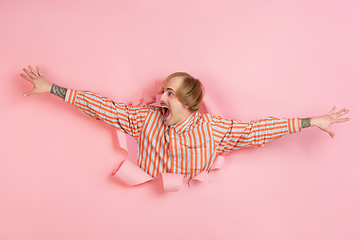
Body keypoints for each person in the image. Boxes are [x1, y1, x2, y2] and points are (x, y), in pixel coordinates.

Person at [20, 65, 350, 180]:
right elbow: (102, 108)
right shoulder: (143, 119)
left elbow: (259, 130)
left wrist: (312, 121)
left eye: (169, 92)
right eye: (162, 90)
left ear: (189, 100)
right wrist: (52, 88)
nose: (160, 96)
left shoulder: (214, 130)